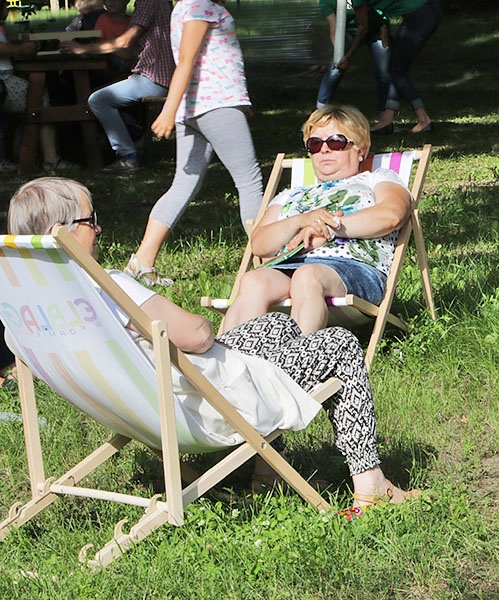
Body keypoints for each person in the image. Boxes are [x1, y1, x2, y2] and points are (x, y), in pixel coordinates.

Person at [6, 177, 417, 514]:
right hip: (207, 403)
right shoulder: (110, 285)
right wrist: (200, 324)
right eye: (90, 219)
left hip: (137, 405)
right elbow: (198, 336)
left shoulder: (35, 302)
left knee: (275, 329)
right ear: (63, 231)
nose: (98, 227)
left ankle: (269, 473)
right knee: (339, 344)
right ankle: (372, 486)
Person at [220, 105, 410, 335]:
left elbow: (391, 215)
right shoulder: (290, 194)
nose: (325, 150)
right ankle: (230, 362)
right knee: (253, 281)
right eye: (315, 144)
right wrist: (302, 220)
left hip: (355, 267)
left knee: (307, 275)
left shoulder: (376, 179)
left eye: (337, 142)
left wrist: (328, 229)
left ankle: (298, 363)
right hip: (293, 265)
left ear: (361, 149)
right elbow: (259, 244)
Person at [122, 0, 263, 287]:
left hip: (197, 107)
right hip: (215, 104)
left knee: (183, 184)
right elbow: (186, 60)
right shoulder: (200, 6)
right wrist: (168, 111)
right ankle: (267, 259)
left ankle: (141, 263)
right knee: (249, 181)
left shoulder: (185, 7)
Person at [61, 0, 175, 173]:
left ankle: (129, 157)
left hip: (156, 78)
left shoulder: (147, 2)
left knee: (99, 100)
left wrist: (83, 49)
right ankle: (132, 143)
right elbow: (127, 49)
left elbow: (124, 41)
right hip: (160, 75)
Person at [0, 4, 77, 171]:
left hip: (8, 78)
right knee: (38, 96)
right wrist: (21, 48)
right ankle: (50, 159)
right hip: (3, 82)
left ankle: (26, 156)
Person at [367, 0, 441, 134]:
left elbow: (362, 21)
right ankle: (386, 120)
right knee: (395, 68)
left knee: (396, 71)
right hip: (425, 12)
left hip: (420, 15)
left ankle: (423, 119)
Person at [316, 0, 390, 122]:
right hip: (351, 32)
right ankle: (319, 113)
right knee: (335, 69)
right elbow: (334, 28)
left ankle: (385, 117)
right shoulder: (326, 2)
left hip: (377, 28)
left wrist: (349, 56)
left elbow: (363, 27)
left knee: (384, 72)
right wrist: (340, 55)